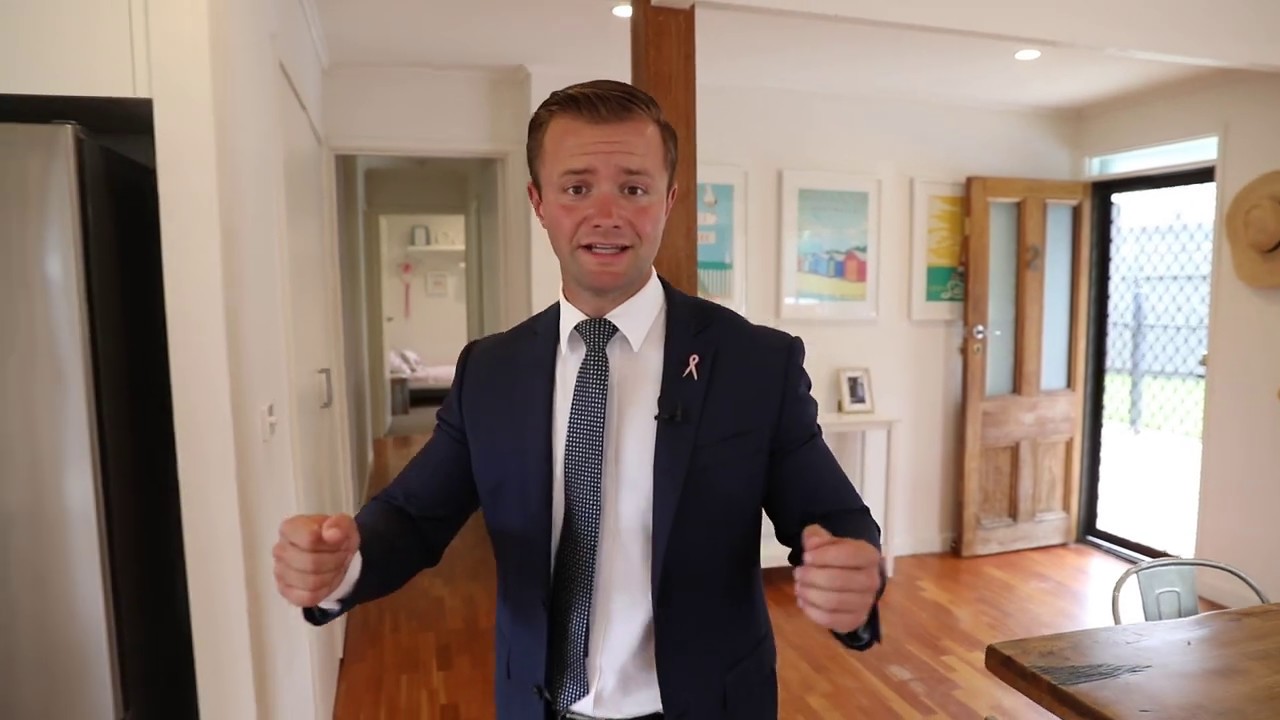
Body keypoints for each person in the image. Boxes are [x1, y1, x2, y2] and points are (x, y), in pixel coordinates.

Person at [272, 79, 886, 720]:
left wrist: (853, 581)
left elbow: (835, 520)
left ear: (669, 200)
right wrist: (343, 565)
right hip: (536, 705)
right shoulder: (491, 370)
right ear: (538, 202)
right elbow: (412, 516)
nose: (607, 214)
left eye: (634, 188)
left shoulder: (754, 363)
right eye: (576, 188)